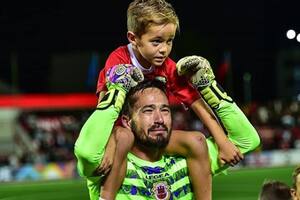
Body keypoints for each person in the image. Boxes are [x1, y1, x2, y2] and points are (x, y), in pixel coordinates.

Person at [96, 0, 244, 198]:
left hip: (149, 135)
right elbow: (106, 105)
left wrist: (222, 141)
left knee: (197, 140)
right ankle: (106, 195)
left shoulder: (168, 66)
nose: (164, 49)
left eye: (170, 40)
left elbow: (196, 103)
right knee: (124, 138)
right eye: (156, 41)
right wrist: (109, 143)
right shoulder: (118, 59)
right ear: (133, 38)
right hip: (123, 131)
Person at [74, 58, 260, 199]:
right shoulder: (111, 162)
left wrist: (208, 87)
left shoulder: (189, 157)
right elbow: (87, 153)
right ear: (127, 121)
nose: (159, 119)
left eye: (165, 110)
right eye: (148, 110)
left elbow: (247, 139)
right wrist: (117, 92)